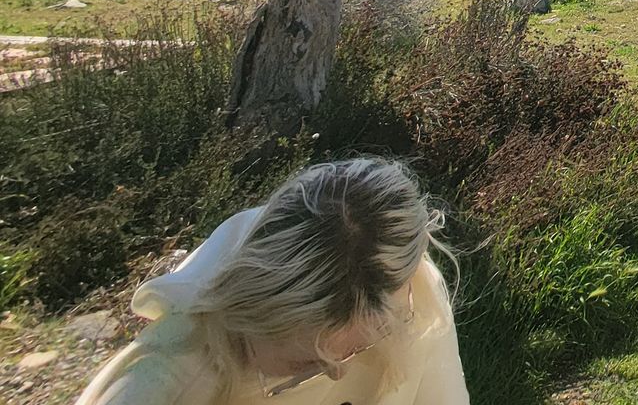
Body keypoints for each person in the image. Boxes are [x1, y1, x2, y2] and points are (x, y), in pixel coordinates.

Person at [77, 158, 468, 405]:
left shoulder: (404, 285)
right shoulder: (160, 383)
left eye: (356, 349)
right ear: (249, 307)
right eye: (307, 362)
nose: (337, 373)